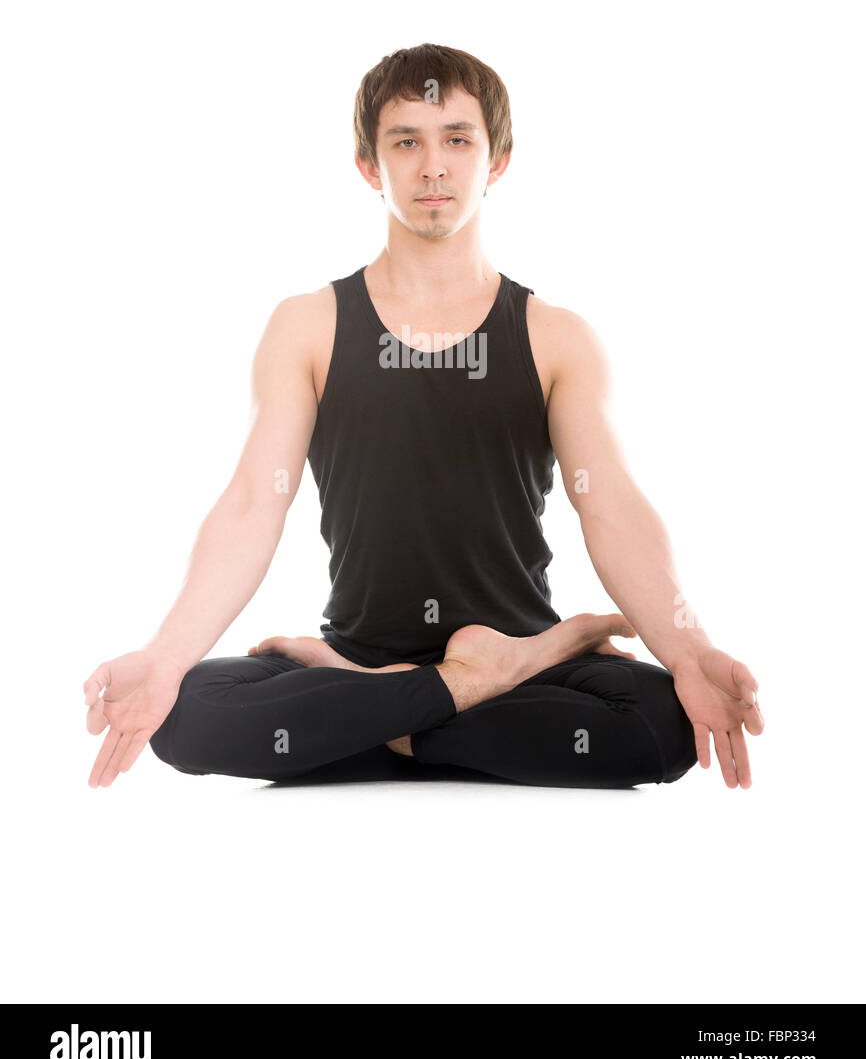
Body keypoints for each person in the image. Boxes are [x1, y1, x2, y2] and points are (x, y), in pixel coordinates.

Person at [84, 43, 764, 791]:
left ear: (496, 160)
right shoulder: (308, 325)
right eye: (406, 141)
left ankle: (389, 718)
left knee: (666, 726)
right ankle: (462, 693)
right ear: (370, 166)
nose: (433, 166)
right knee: (186, 715)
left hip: (470, 668)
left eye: (457, 140)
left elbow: (614, 510)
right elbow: (252, 504)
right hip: (378, 660)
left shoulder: (555, 335)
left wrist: (692, 651)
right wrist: (162, 656)